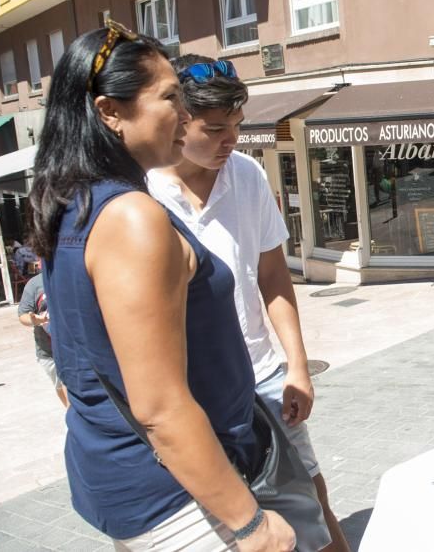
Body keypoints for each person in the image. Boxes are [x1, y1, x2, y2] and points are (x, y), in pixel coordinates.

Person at [27, 22, 297, 550]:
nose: (185, 112)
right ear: (110, 112)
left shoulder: (72, 203)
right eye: (171, 97)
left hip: (130, 478)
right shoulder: (131, 217)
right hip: (177, 499)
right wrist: (250, 525)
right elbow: (159, 406)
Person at [147, 55, 349, 552]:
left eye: (236, 126)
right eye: (214, 129)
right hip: (189, 396)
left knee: (311, 498)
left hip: (261, 376)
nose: (231, 139)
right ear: (177, 121)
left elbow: (273, 277)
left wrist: (296, 367)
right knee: (233, 524)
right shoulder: (141, 193)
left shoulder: (247, 175)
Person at [17, 266, 69, 408]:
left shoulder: (71, 275)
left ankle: (74, 417)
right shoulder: (34, 284)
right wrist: (36, 320)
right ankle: (71, 414)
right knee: (59, 385)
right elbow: (23, 316)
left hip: (72, 348)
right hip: (47, 351)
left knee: (69, 386)